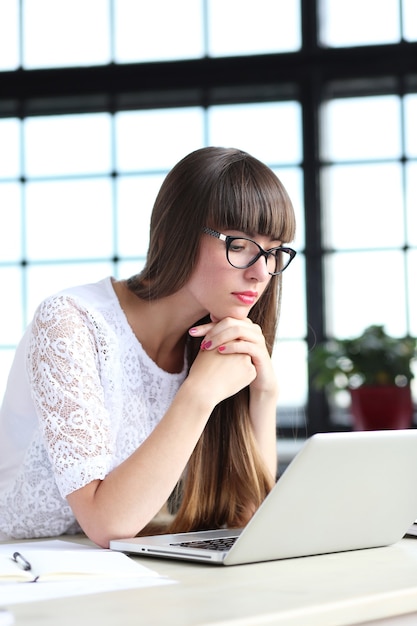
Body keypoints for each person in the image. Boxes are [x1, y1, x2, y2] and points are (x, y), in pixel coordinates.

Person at [0, 146, 296, 548]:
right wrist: (197, 395)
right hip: (17, 571)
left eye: (274, 251)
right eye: (240, 245)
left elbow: (249, 519)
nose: (261, 273)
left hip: (101, 572)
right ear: (179, 233)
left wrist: (263, 395)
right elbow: (106, 523)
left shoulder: (213, 343)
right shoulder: (72, 321)